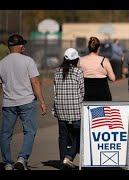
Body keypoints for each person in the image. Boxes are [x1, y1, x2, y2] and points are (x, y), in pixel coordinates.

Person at [0, 34, 47, 170]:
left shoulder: (2, 63)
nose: (24, 47)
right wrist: (42, 102)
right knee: (30, 131)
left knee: (5, 135)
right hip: (26, 101)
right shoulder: (28, 61)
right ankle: (22, 158)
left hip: (8, 103)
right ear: (20, 46)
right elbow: (35, 82)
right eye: (23, 45)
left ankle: (8, 163)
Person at [53, 48, 84, 170]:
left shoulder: (57, 71)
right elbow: (82, 91)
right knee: (80, 135)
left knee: (63, 135)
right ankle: (69, 157)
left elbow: (55, 90)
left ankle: (62, 161)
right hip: (75, 108)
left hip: (60, 107)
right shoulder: (78, 72)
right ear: (76, 59)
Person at [79, 37, 115, 101]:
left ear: (88, 48)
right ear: (98, 48)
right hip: (102, 94)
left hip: (86, 93)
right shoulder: (104, 60)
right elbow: (112, 78)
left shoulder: (81, 60)